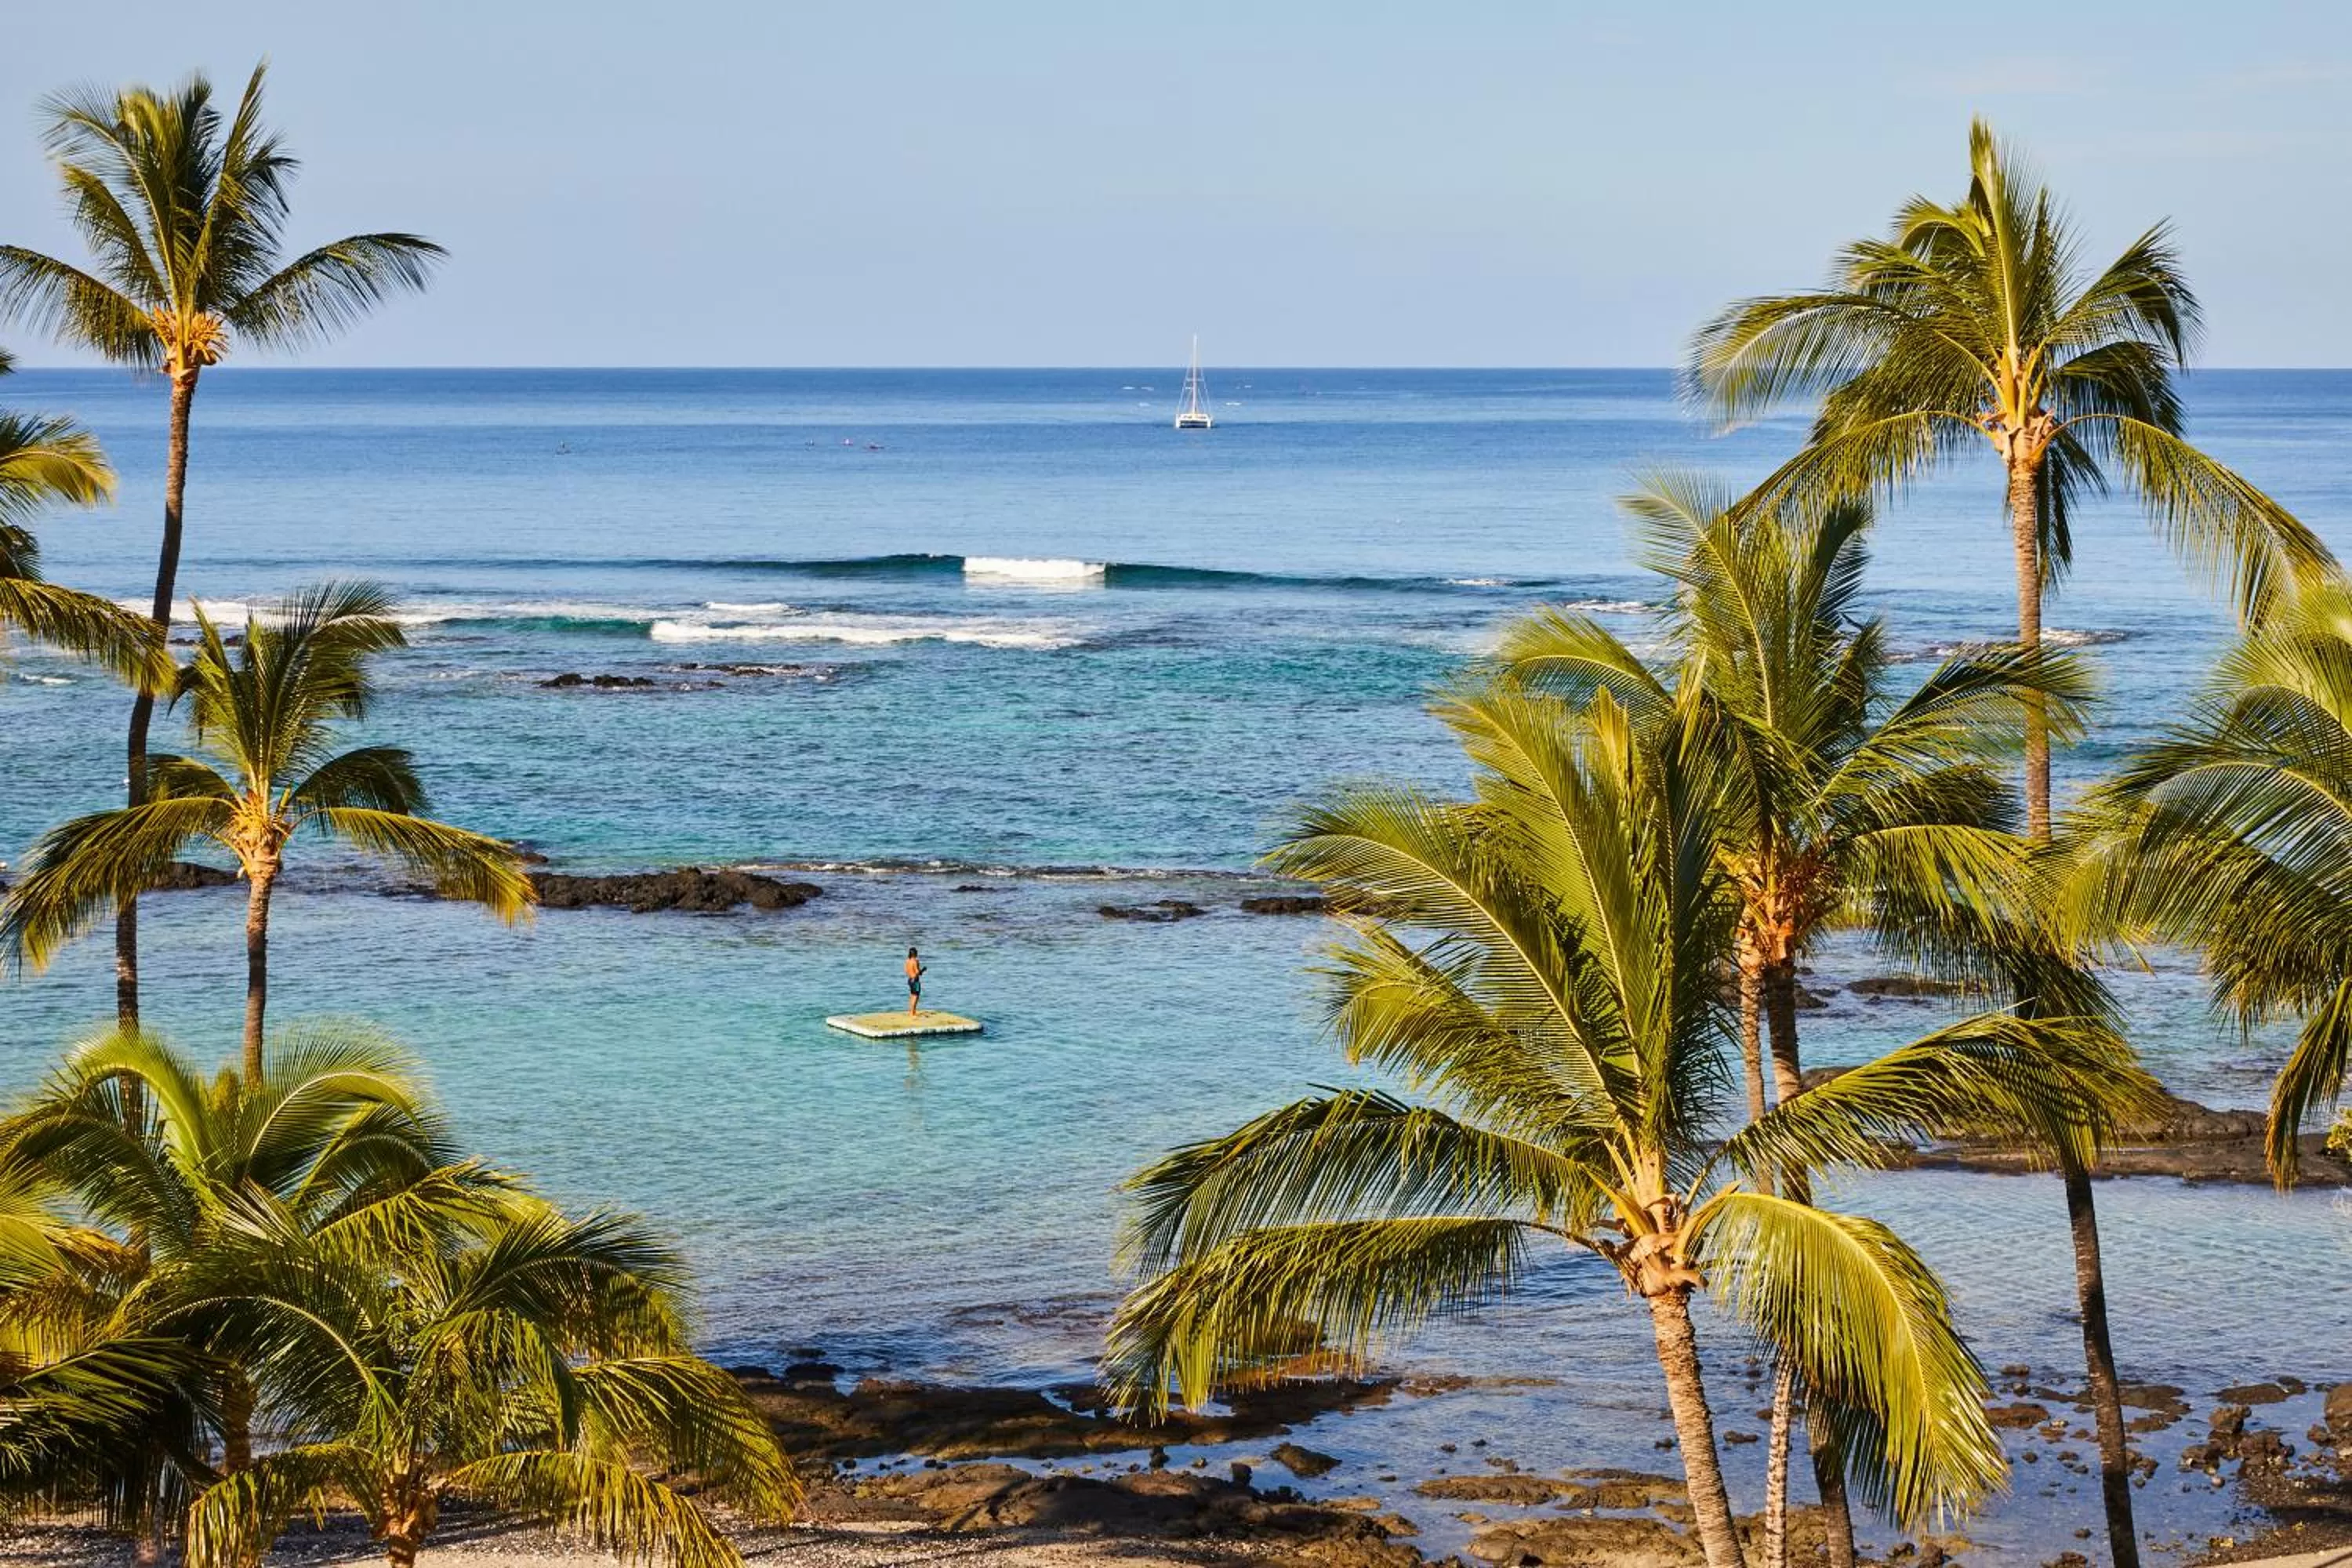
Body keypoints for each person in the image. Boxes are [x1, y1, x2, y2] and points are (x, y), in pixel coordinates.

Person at [905, 946, 926, 1016]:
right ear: (915, 954)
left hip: (910, 980)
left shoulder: (907, 961)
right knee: (916, 996)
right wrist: (923, 970)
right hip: (915, 980)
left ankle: (911, 1011)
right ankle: (912, 1012)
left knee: (912, 995)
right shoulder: (915, 961)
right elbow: (917, 972)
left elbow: (906, 970)